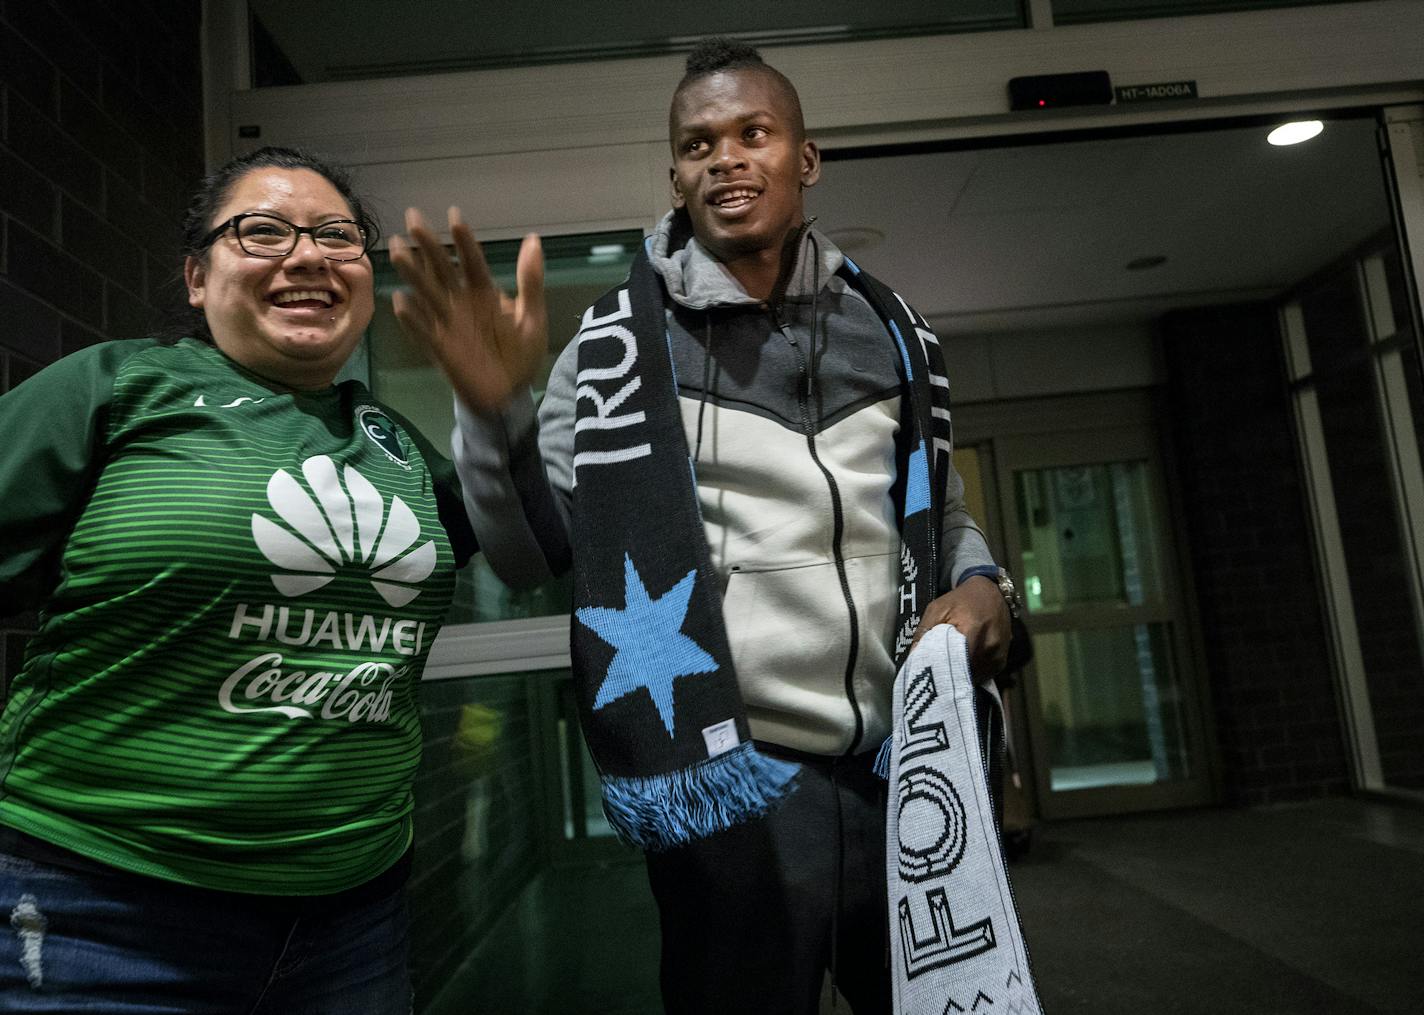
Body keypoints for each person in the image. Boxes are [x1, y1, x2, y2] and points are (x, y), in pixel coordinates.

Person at [391, 39, 1013, 1015]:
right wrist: (492, 415)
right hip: (734, 783)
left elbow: (934, 510)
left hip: (905, 768)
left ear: (804, 158)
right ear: (674, 175)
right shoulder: (610, 349)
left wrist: (981, 585)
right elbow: (525, 550)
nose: (723, 157)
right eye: (696, 144)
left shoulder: (889, 332)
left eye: (750, 133)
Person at [0, 146, 478, 1013]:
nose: (307, 255)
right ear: (195, 275)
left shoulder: (399, 445)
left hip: (354, 921)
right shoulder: (117, 386)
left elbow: (536, 546)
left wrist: (502, 410)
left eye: (338, 235)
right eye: (262, 232)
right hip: (98, 915)